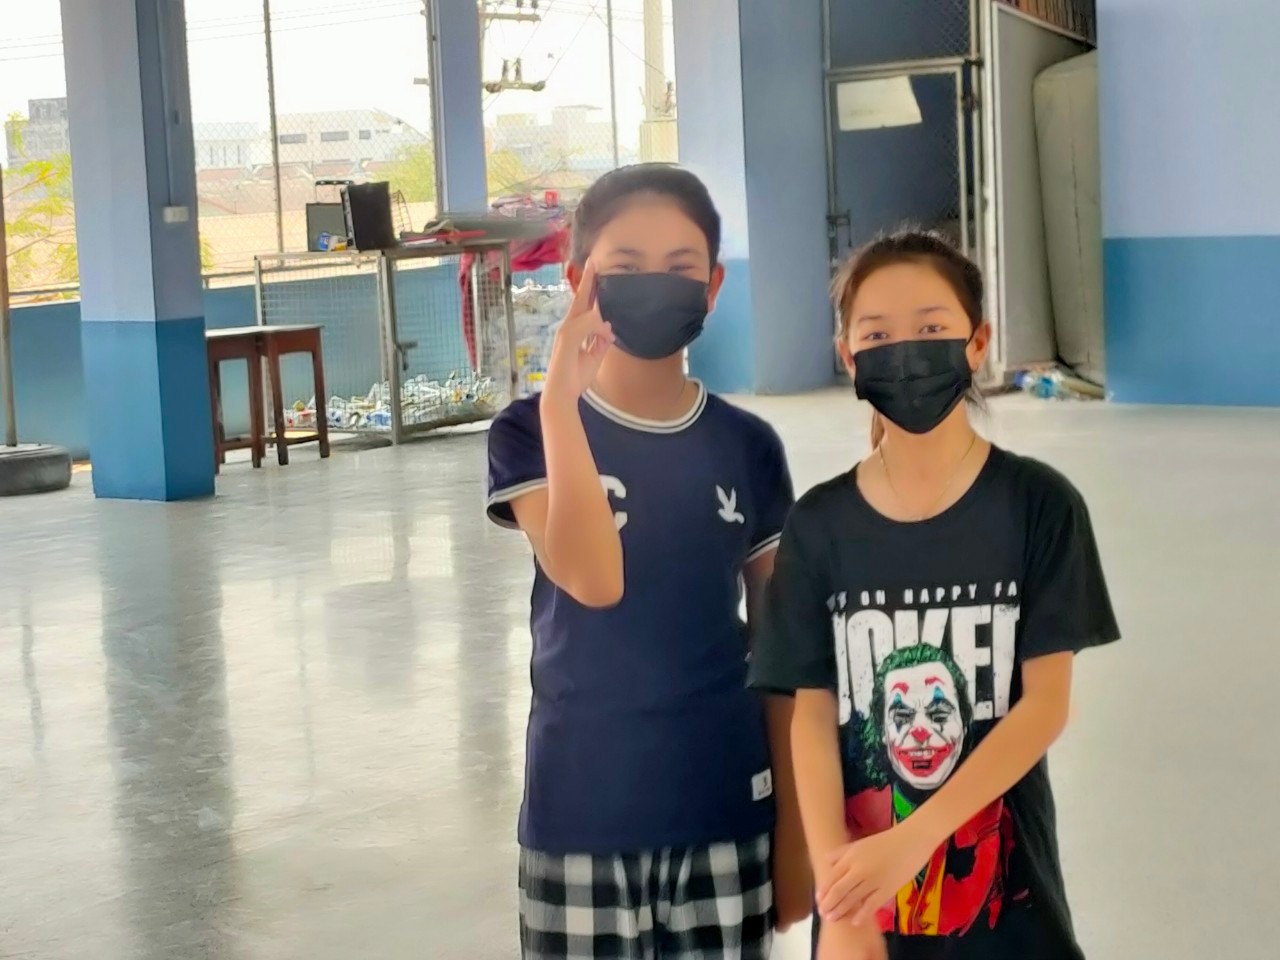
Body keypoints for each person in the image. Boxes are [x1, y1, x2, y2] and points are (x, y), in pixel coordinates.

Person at [749, 230, 1120, 960]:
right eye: (877, 335)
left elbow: (1043, 707)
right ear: (849, 356)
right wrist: (839, 900)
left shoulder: (1039, 506)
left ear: (977, 343)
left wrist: (913, 839)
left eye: (929, 330)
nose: (905, 352)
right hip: (865, 915)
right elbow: (810, 717)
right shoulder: (819, 525)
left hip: (1011, 920)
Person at [485, 163, 812, 960]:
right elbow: (593, 579)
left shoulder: (748, 445)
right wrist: (562, 401)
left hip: (725, 812)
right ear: (577, 281)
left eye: (679, 267)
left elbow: (784, 653)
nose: (654, 285)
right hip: (579, 817)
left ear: (714, 286)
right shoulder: (528, 431)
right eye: (625, 267)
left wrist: (797, 836)